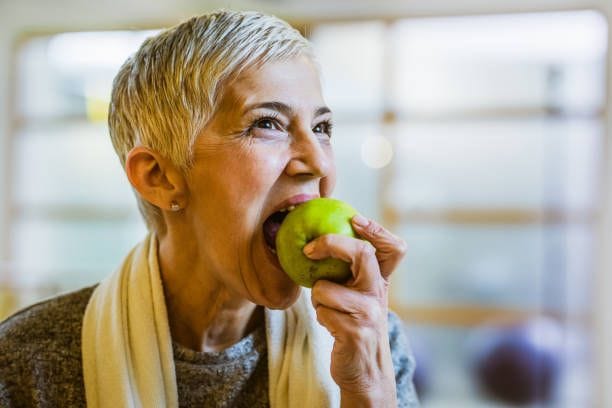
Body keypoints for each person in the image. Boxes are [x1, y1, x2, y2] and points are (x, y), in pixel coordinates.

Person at [0, 10, 419, 407]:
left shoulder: (368, 338)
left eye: (321, 128)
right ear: (158, 176)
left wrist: (367, 387)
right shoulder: (26, 363)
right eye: (267, 123)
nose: (318, 162)